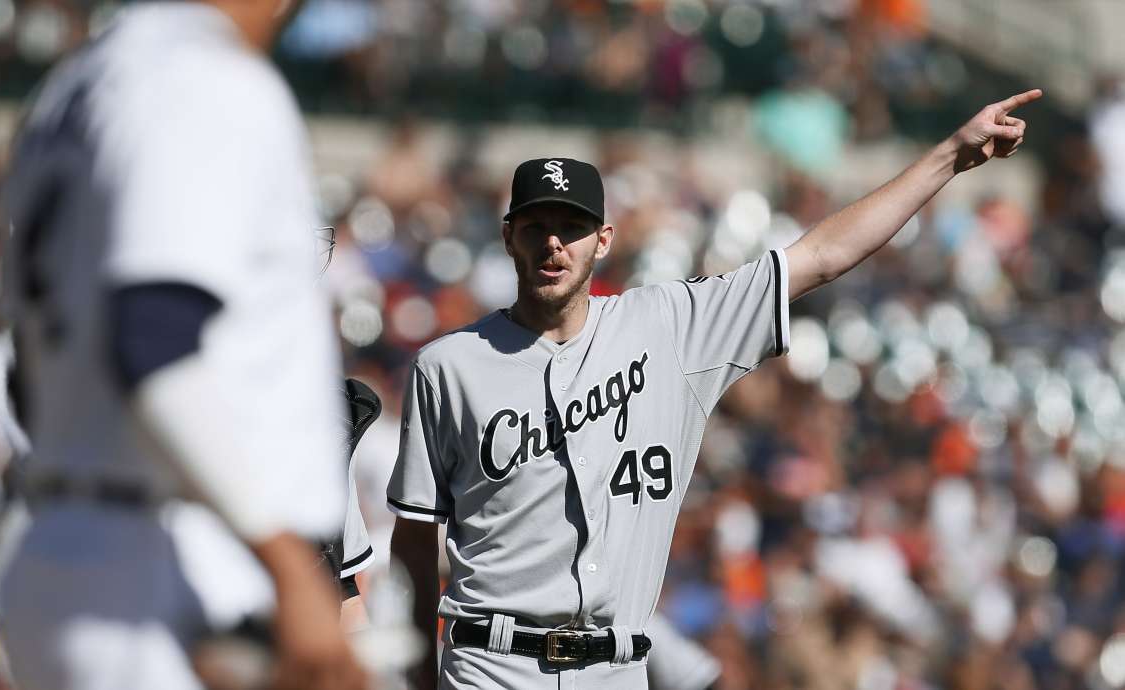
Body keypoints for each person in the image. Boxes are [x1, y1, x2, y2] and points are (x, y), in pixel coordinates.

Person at [387, 90, 1042, 689]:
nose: (554, 244)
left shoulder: (671, 326)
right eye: (535, 227)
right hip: (490, 666)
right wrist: (419, 665)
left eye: (572, 227)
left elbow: (820, 257)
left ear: (604, 240)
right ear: (508, 236)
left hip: (616, 670)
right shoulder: (449, 366)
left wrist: (947, 157)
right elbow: (415, 537)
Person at [0, 1, 368, 689]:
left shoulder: (75, 86)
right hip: (161, 557)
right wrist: (291, 569)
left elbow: (32, 375)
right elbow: (152, 343)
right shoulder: (205, 78)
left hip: (65, 535)